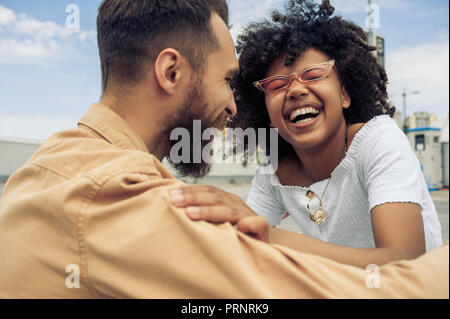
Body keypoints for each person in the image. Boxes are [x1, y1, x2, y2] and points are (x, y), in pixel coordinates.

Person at [0, 0, 447, 299]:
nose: (234, 106)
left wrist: (261, 233)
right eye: (230, 82)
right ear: (171, 71)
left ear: (347, 92)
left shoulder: (53, 163)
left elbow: (397, 261)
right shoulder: (120, 195)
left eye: (314, 76)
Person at [172, 0, 443, 269]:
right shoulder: (273, 173)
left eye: (313, 75)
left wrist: (270, 236)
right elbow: (242, 246)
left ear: (345, 94)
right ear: (266, 114)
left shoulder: (378, 140)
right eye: (277, 84)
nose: (296, 90)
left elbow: (403, 262)